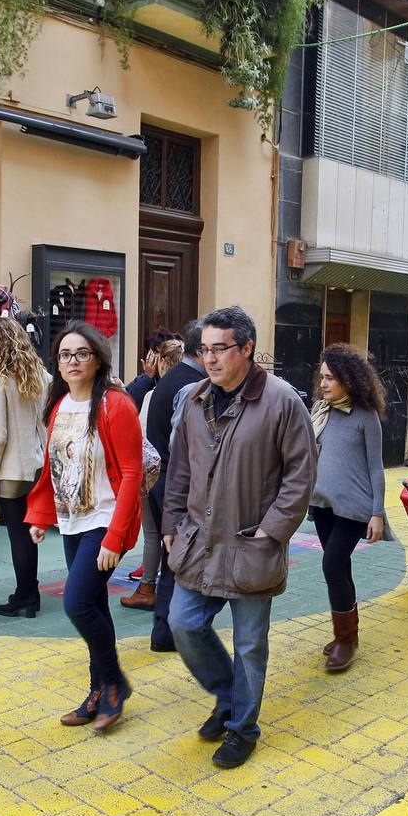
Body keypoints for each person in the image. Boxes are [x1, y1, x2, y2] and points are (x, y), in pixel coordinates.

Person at [163, 306, 315, 768]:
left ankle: (243, 728)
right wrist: (171, 525)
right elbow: (179, 469)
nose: (210, 359)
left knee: (250, 644)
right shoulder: (193, 400)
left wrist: (272, 531)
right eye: (204, 349)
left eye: (220, 349)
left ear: (246, 349)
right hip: (198, 540)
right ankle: (228, 696)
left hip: (251, 543)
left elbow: (300, 475)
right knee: (183, 623)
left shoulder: (282, 401)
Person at [26, 322, 142, 729]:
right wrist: (41, 515)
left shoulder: (115, 404)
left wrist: (114, 537)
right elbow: (53, 467)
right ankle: (99, 692)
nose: (72, 361)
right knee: (93, 604)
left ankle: (114, 683)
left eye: (81, 354)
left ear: (97, 360)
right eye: (64, 355)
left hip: (105, 519)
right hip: (72, 520)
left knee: (75, 603)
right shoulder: (58, 406)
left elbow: (132, 472)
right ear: (56, 364)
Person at [309, 344, 392, 672]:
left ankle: (345, 641)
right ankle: (346, 635)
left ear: (349, 379)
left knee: (332, 563)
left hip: (354, 509)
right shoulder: (320, 410)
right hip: (323, 505)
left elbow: (376, 468)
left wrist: (377, 513)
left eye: (331, 378)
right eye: (323, 377)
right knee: (338, 569)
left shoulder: (365, 416)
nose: (324, 384)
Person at [142, 321, 207, 652]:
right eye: (213, 348)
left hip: (160, 480)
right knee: (178, 561)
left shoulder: (171, 379)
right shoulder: (190, 385)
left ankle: (165, 631)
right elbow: (187, 446)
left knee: (172, 559)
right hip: (172, 485)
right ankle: (169, 632)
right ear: (202, 350)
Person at [0, 316, 52, 618]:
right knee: (29, 532)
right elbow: (44, 423)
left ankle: (25, 595)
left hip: (10, 469)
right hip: (36, 463)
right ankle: (30, 592)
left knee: (17, 535)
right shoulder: (41, 375)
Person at [121, 338, 185, 611]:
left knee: (152, 533)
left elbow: (141, 435)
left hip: (151, 473)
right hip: (177, 475)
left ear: (161, 362)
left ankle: (147, 587)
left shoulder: (152, 395)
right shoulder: (190, 391)